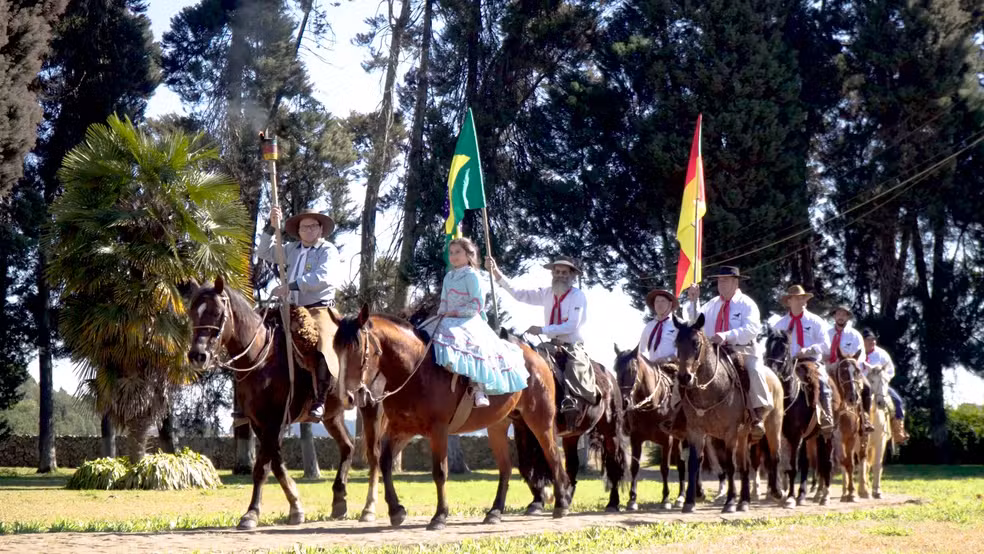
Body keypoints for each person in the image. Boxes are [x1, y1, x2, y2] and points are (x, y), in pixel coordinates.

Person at [257, 207, 343, 420]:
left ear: (321, 229)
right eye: (305, 227)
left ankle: (320, 399)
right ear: (298, 231)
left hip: (318, 308)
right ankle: (255, 394)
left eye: (313, 226)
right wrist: (271, 227)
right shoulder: (291, 249)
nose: (309, 230)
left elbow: (323, 277)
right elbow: (263, 252)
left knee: (323, 343)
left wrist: (291, 286)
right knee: (257, 333)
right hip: (291, 308)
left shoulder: (328, 250)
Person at [423, 238, 529, 407]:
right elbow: (444, 300)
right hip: (448, 318)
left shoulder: (472, 275)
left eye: (458, 252)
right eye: (451, 253)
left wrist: (455, 313)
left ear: (468, 255)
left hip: (469, 318)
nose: (453, 256)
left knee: (473, 346)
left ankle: (478, 388)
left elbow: (477, 304)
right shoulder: (449, 276)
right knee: (425, 332)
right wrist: (442, 312)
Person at [485, 254, 595, 412]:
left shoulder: (577, 296)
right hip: (549, 345)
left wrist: (542, 330)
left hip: (572, 346)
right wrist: (496, 273)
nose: (560, 275)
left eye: (564, 273)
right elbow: (519, 293)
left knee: (574, 368)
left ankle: (572, 402)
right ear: (552, 273)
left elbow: (572, 325)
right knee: (532, 362)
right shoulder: (546, 293)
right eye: (557, 272)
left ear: (572, 275)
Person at [686, 266, 774, 440]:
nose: (721, 283)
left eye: (725, 280)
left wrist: (726, 335)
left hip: (742, 349)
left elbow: (752, 329)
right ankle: (680, 414)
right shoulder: (711, 304)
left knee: (754, 370)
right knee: (686, 370)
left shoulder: (747, 304)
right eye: (719, 280)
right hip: (714, 351)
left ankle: (757, 414)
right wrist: (694, 301)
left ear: (735, 282)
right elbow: (694, 321)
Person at [774, 285, 836, 436]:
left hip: (811, 361)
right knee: (772, 383)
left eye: (803, 298)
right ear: (789, 302)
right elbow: (774, 345)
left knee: (822, 381)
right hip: (787, 364)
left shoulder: (816, 321)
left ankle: (826, 416)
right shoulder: (780, 324)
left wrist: (808, 350)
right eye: (797, 299)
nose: (801, 301)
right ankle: (766, 417)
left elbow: (826, 345)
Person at [826, 304, 874, 433]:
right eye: (838, 314)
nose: (840, 317)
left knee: (867, 387)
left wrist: (852, 362)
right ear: (834, 316)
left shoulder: (854, 335)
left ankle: (865, 418)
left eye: (843, 314)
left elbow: (861, 354)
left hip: (850, 369)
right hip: (830, 368)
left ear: (847, 317)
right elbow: (822, 350)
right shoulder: (827, 333)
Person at [861, 328, 909, 444]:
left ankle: (898, 431)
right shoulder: (858, 353)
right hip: (862, 384)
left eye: (873, 339)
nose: (872, 342)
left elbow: (891, 371)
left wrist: (883, 378)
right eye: (869, 340)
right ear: (863, 341)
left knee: (897, 401)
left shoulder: (882, 354)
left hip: (879, 385)